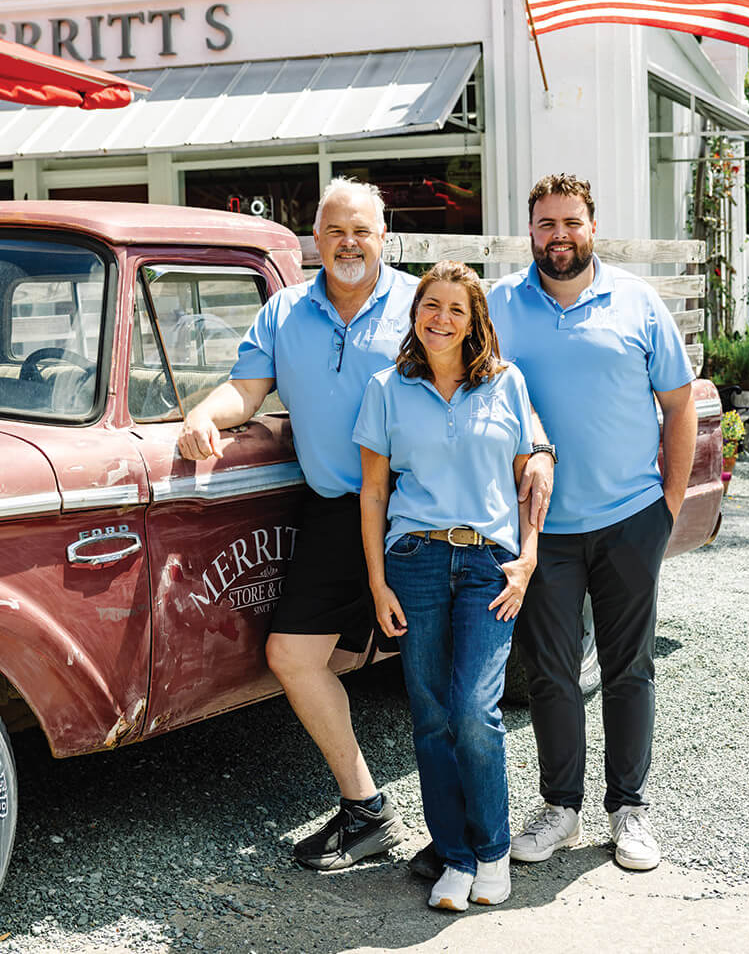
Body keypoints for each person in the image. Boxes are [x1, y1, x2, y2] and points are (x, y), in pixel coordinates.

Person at [178, 178, 552, 870]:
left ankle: (469, 845)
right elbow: (247, 389)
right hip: (336, 513)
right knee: (294, 656)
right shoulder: (285, 311)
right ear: (314, 241)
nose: (349, 244)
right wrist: (203, 414)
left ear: (385, 239)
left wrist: (537, 448)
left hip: (424, 515)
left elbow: (487, 373)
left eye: (363, 232)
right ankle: (367, 809)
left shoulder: (422, 304)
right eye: (335, 232)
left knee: (448, 693)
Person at [487, 173, 697, 872]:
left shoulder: (637, 303)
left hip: (630, 519)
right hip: (541, 529)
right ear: (531, 232)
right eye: (545, 224)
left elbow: (680, 404)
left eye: (570, 222)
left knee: (628, 668)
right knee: (549, 672)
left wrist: (667, 507)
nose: (558, 236)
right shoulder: (500, 308)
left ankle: (628, 810)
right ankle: (561, 809)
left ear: (592, 227)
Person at [355, 261, 538, 912]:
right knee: (430, 716)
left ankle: (492, 849)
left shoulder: (506, 385)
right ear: (416, 314)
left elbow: (530, 477)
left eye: (456, 309)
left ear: (474, 322)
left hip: (489, 564)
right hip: (415, 561)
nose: (440, 318)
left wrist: (528, 559)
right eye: (431, 305)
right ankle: (455, 857)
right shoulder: (386, 388)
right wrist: (377, 582)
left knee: (473, 712)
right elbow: (374, 490)